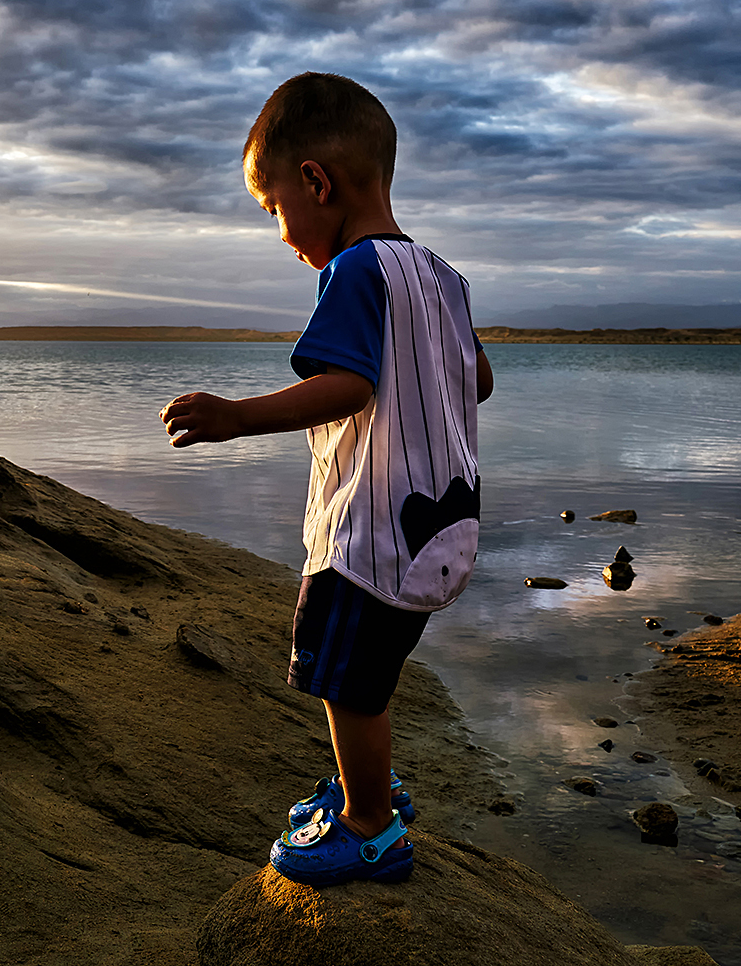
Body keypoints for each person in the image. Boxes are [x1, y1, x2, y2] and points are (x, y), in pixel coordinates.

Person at [160, 72, 493, 887]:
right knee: (375, 667)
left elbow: (347, 385)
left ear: (316, 181)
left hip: (371, 531)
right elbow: (477, 378)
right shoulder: (442, 276)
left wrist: (236, 416)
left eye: (274, 209)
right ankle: (370, 788)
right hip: (443, 522)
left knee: (345, 682)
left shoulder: (353, 273)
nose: (280, 232)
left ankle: (370, 828)